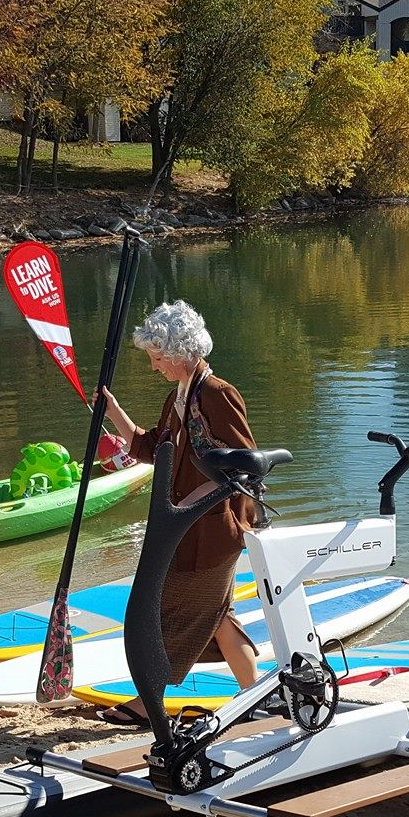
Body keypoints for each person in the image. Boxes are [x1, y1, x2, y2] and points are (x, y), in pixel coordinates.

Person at [99, 300, 259, 726]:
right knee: (214, 614)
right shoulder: (179, 396)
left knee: (169, 610)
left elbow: (245, 465)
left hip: (213, 532)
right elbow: (153, 447)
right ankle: (255, 695)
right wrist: (111, 408)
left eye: (156, 358)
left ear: (176, 353)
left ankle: (147, 701)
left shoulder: (217, 394)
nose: (154, 367)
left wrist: (191, 505)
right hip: (184, 529)